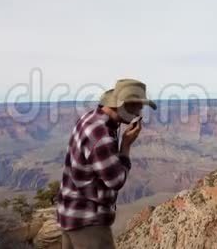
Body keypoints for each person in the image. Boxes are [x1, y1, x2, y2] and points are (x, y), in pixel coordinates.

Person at [56, 79, 157, 249]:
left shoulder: (91, 118)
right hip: (88, 222)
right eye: (138, 107)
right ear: (124, 105)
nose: (140, 113)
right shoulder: (101, 134)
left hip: (70, 214)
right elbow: (115, 180)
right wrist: (126, 146)